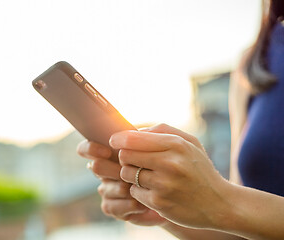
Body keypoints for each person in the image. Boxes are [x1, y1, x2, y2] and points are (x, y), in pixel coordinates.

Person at [77, 0, 284, 239]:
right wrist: (162, 208)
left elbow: (232, 207)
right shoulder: (256, 61)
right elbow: (240, 230)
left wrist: (222, 200)